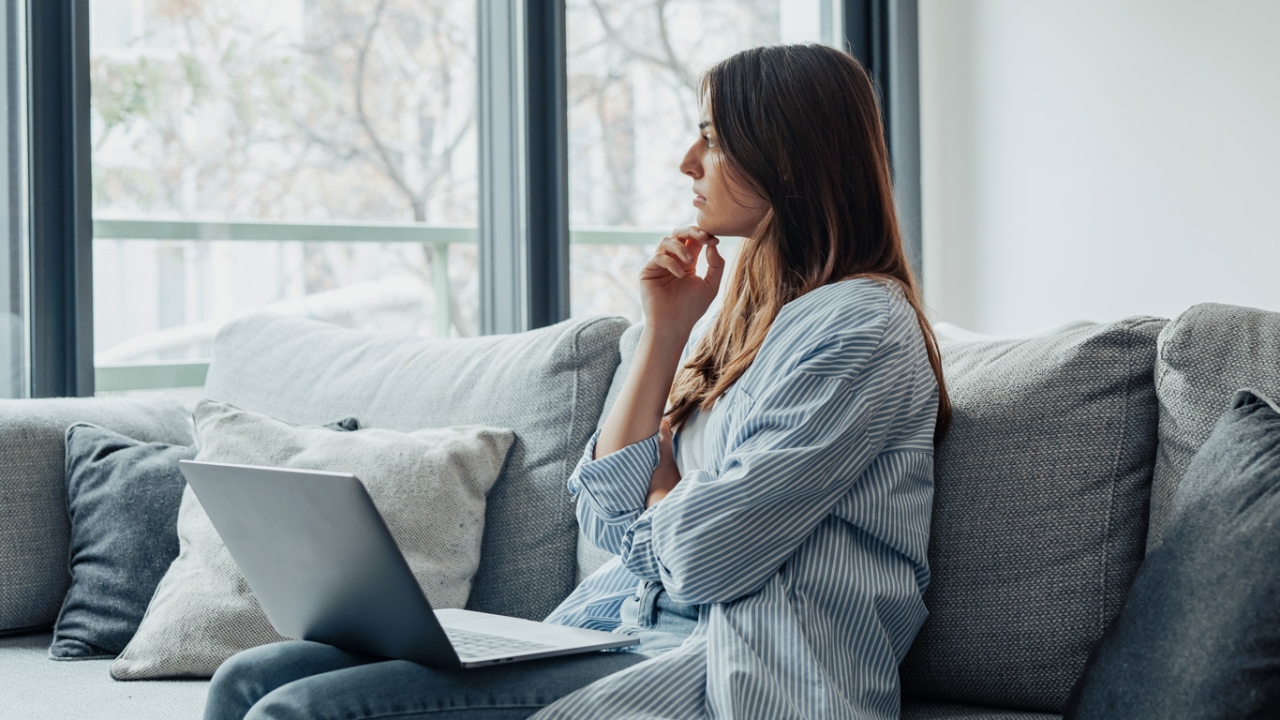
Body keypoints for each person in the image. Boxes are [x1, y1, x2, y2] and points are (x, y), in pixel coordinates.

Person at [204, 43, 950, 720]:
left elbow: (706, 557)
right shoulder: (747, 319)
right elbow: (602, 512)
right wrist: (663, 334)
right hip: (614, 633)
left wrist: (659, 493)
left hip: (727, 670)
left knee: (295, 713)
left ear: (787, 157)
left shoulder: (860, 330)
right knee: (247, 680)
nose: (689, 161)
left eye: (714, 139)